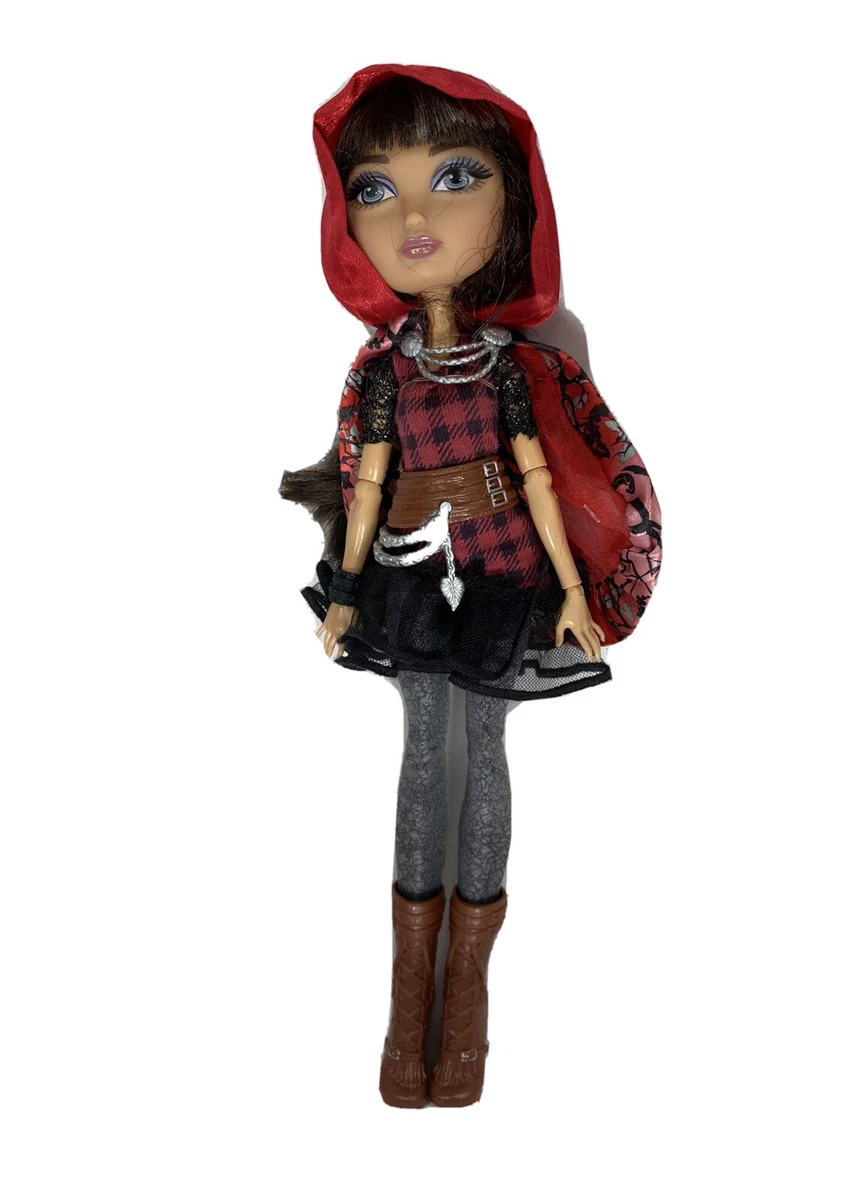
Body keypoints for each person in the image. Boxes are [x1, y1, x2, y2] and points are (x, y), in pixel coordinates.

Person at [280, 64, 662, 1107]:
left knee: (482, 747)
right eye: (375, 188)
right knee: (422, 752)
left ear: (513, 199)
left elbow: (538, 478)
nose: (413, 216)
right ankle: (410, 995)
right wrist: (347, 584)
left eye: (455, 177)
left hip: (504, 569)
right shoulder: (381, 370)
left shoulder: (510, 364)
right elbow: (366, 485)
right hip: (409, 570)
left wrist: (574, 590)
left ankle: (469, 1008)